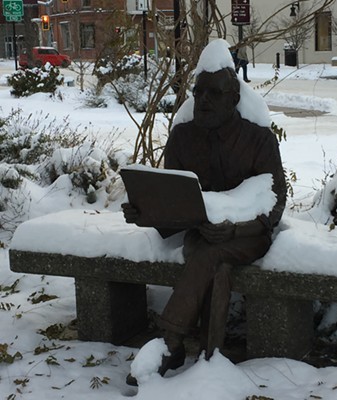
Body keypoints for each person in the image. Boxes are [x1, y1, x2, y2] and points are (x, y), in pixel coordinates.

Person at [122, 40, 286, 386]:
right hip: (203, 236)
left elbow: (274, 200)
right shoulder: (183, 137)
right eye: (199, 92)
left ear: (234, 99)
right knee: (217, 264)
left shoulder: (258, 140)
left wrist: (236, 229)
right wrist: (146, 212)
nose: (204, 100)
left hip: (248, 235)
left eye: (215, 93)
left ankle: (170, 341)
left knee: (211, 254)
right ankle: (211, 357)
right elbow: (175, 200)